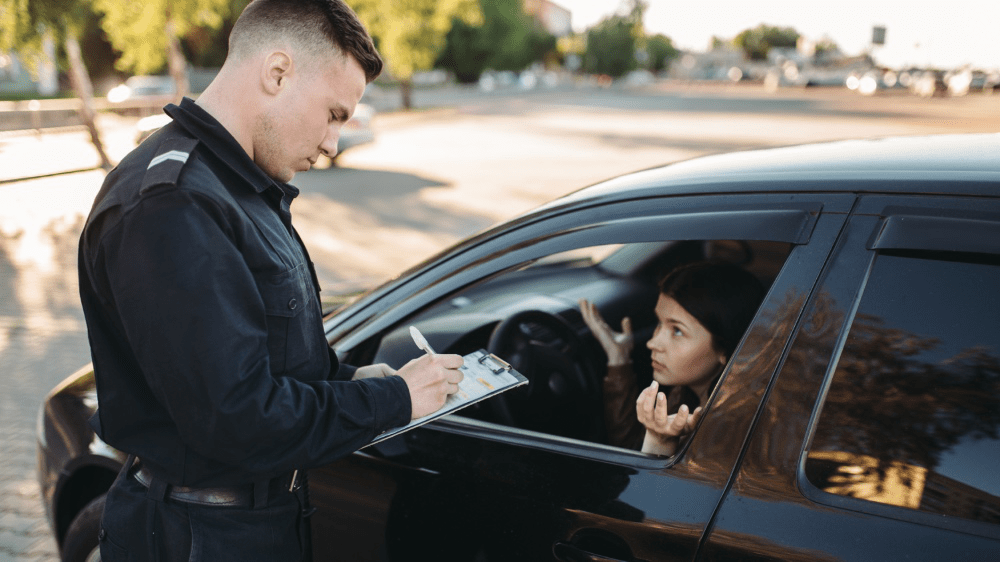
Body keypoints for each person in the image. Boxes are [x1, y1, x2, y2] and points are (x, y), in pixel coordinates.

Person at [77, 1, 465, 560]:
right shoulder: (174, 204)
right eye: (333, 114)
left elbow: (268, 362)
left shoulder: (238, 185)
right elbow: (237, 419)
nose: (334, 143)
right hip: (198, 537)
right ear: (277, 72)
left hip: (251, 524)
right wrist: (393, 401)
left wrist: (355, 380)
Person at [579, 261, 765, 456]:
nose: (653, 343)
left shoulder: (728, 436)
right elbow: (633, 448)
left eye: (677, 331)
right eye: (659, 323)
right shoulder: (685, 392)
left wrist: (660, 444)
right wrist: (619, 358)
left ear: (726, 350)